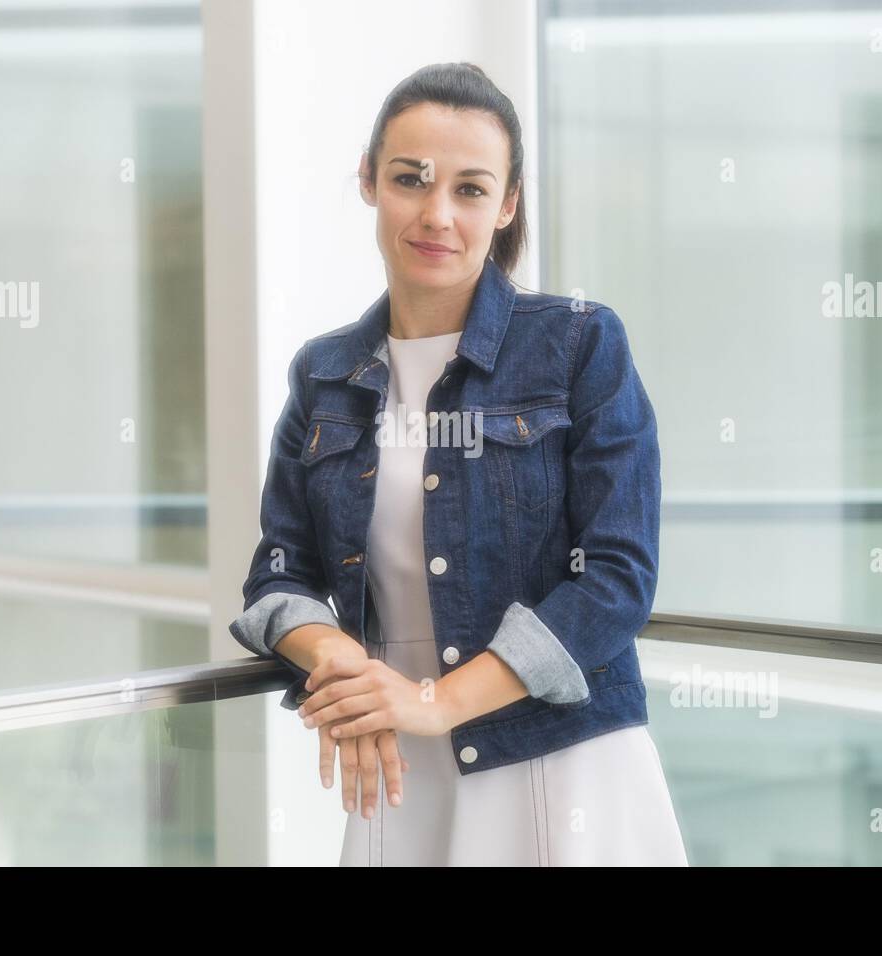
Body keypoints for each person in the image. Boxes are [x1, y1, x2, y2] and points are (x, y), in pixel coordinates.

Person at [229, 62, 687, 866]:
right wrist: (340, 662)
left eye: (471, 189)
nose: (437, 214)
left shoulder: (579, 343)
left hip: (559, 762)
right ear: (369, 180)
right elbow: (278, 576)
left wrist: (437, 702)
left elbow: (618, 578)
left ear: (507, 203)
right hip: (396, 765)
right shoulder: (323, 372)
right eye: (411, 179)